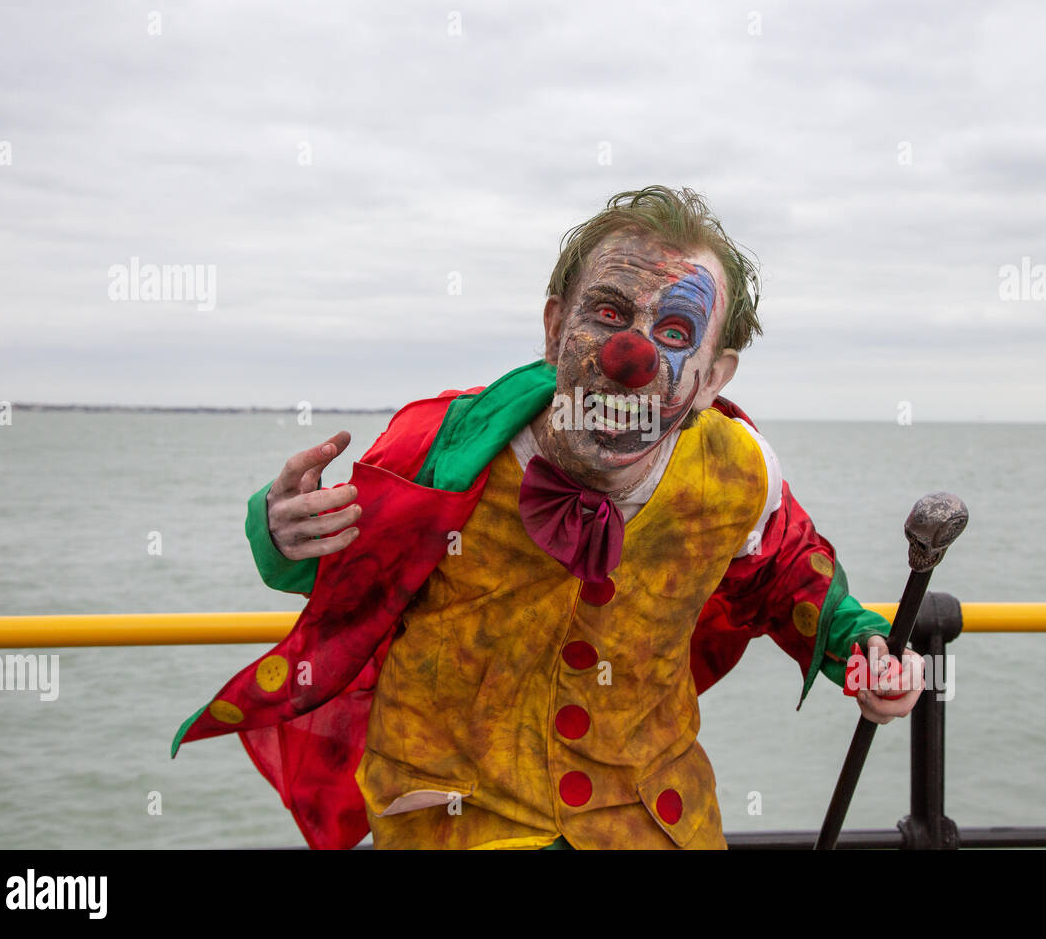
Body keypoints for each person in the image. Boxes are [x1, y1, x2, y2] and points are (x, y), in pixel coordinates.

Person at [171, 185, 924, 849]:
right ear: (555, 325)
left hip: (653, 820)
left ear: (713, 377)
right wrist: (277, 530)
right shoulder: (446, 448)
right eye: (608, 313)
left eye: (673, 333)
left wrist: (862, 652)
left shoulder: (738, 470)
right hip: (458, 816)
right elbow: (337, 569)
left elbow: (787, 572)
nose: (631, 354)